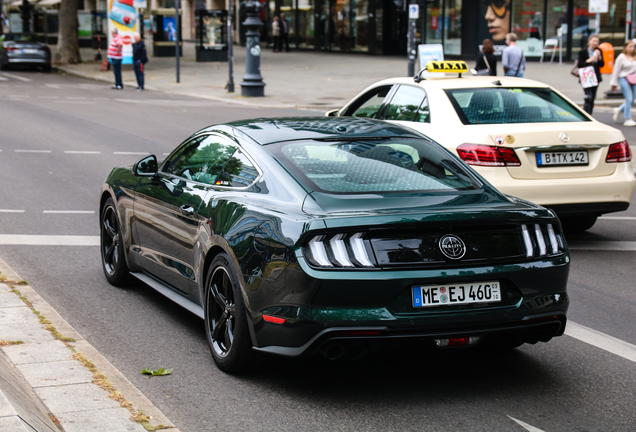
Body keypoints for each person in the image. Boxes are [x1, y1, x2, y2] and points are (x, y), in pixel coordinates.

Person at [610, 40, 636, 126]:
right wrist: (613, 83)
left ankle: (619, 110)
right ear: (625, 47)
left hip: (634, 79)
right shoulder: (621, 57)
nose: (632, 49)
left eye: (633, 47)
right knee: (628, 98)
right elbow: (616, 70)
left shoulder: (634, 56)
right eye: (630, 47)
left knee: (632, 99)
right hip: (623, 78)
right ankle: (627, 118)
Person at [577, 34, 604, 115]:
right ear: (589, 41)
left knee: (593, 98)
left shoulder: (598, 51)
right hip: (586, 76)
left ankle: (590, 115)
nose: (595, 43)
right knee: (588, 96)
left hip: (595, 77)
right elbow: (580, 64)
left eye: (597, 41)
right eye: (594, 41)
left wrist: (599, 56)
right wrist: (590, 60)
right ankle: (585, 113)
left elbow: (602, 64)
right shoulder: (583, 51)